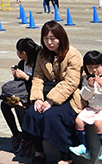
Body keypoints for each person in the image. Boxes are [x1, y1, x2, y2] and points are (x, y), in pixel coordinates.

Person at [21, 21, 83, 164]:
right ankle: (39, 152)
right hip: (48, 93)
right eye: (45, 38)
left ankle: (66, 156)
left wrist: (51, 101)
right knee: (33, 113)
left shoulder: (73, 54)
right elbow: (37, 77)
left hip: (70, 96)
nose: (49, 42)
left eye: (53, 38)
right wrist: (37, 98)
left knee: (53, 116)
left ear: (61, 38)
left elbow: (71, 82)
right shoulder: (42, 55)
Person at [68, 50, 102, 162]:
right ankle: (84, 147)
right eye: (90, 67)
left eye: (97, 67)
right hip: (93, 109)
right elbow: (85, 96)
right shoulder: (86, 80)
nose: (94, 70)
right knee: (78, 120)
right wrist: (90, 87)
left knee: (98, 123)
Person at [2, 37, 39, 155]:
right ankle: (16, 135)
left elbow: (41, 82)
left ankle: (26, 138)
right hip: (24, 92)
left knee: (19, 104)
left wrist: (26, 77)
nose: (17, 54)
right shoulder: (22, 63)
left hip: (35, 94)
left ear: (23, 53)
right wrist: (16, 75)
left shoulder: (39, 63)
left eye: (18, 51)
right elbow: (19, 84)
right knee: (4, 104)